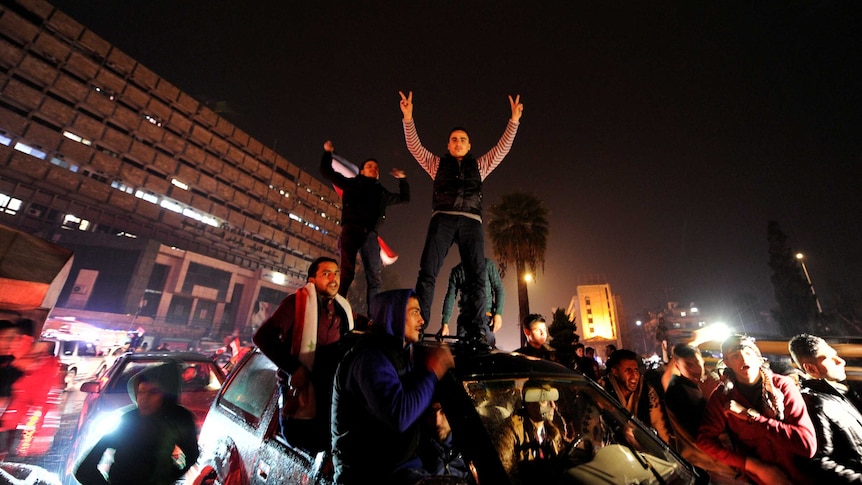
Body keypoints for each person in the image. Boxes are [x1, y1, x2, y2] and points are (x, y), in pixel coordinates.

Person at [399, 90, 523, 346]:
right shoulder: (436, 164)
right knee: (428, 272)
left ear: (469, 146)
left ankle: (478, 331)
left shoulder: (480, 165)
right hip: (442, 219)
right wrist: (408, 118)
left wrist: (513, 121)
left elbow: (503, 149)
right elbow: (414, 147)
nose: (458, 143)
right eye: (453, 139)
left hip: (470, 222)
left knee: (477, 275)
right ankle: (418, 328)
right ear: (448, 145)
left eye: (463, 140)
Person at [331, 289, 454, 484]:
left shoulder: (400, 355)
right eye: (415, 312)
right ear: (393, 314)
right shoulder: (370, 359)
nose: (422, 320)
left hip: (400, 467)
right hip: (369, 475)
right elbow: (399, 415)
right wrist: (433, 371)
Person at [253, 256, 355, 453]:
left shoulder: (343, 309)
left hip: (330, 394)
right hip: (301, 391)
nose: (333, 278)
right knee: (305, 440)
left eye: (336, 273)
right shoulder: (295, 304)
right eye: (326, 274)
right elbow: (263, 337)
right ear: (312, 280)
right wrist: (294, 369)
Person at [697, 334, 816, 485]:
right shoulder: (723, 396)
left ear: (758, 357)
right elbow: (704, 440)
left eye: (748, 352)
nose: (743, 359)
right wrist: (753, 466)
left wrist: (751, 416)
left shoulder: (783, 386)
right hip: (761, 480)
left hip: (801, 475)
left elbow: (807, 445)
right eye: (735, 355)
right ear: (727, 363)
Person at [75, 361, 199, 485]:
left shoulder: (179, 418)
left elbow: (191, 453)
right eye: (141, 391)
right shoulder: (128, 421)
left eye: (153, 392)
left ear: (166, 395)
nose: (144, 398)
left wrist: (170, 475)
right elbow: (85, 469)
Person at [320, 140, 410, 306]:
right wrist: (327, 153)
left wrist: (402, 179)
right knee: (347, 273)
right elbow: (327, 171)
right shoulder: (352, 184)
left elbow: (404, 198)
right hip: (351, 231)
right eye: (369, 166)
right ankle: (336, 307)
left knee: (374, 277)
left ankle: (372, 317)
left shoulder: (381, 193)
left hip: (370, 235)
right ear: (362, 171)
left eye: (376, 168)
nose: (374, 169)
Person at [789, 333, 862, 482]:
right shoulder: (814, 404)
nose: (841, 361)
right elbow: (816, 462)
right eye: (830, 358)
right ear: (810, 368)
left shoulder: (840, 394)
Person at [664, 344, 739, 483]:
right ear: (677, 366)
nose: (695, 369)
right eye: (688, 364)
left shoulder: (695, 385)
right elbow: (700, 429)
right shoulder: (678, 391)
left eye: (697, 363)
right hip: (703, 462)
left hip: (710, 460)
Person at [494, 381, 565, 481]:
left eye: (552, 400)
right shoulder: (512, 430)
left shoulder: (552, 430)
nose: (553, 406)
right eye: (545, 401)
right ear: (529, 403)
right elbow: (505, 468)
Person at [598, 349, 672, 444]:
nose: (634, 375)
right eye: (628, 370)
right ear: (615, 372)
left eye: (636, 370)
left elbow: (659, 424)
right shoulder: (601, 391)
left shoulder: (647, 390)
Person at [438, 257, 505, 346]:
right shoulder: (457, 271)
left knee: (485, 352)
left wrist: (498, 313)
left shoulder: (487, 265)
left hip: (485, 317)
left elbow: (499, 288)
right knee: (462, 353)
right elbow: (450, 297)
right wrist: (445, 323)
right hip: (465, 319)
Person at [417, 401, 469, 479]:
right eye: (432, 412)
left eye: (443, 411)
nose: (437, 422)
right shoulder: (418, 446)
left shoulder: (471, 444)